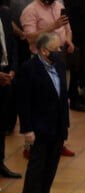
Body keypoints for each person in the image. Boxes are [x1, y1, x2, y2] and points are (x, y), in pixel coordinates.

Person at [17, 32, 69, 193]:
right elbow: (23, 103)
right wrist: (27, 129)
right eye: (56, 49)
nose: (59, 51)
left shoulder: (60, 66)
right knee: (37, 165)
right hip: (39, 126)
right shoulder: (28, 69)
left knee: (52, 164)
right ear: (44, 50)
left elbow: (62, 97)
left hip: (57, 125)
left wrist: (66, 124)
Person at [20, 0, 75, 157]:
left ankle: (60, 140)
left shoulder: (59, 6)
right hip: (40, 63)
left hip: (59, 59)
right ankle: (30, 145)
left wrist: (68, 40)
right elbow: (29, 37)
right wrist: (53, 26)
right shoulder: (30, 10)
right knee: (39, 105)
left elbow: (67, 29)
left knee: (61, 100)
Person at [0, 4, 21, 179]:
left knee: (2, 123)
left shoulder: (5, 15)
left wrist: (12, 69)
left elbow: (12, 46)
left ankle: (0, 162)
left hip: (6, 75)